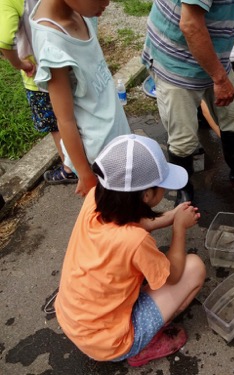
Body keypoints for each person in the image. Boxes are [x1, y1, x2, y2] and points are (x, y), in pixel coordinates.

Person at [54, 134, 206, 367]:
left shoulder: (96, 198)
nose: (164, 190)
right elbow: (174, 275)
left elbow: (133, 222)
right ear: (146, 195)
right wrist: (179, 228)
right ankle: (141, 346)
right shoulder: (135, 241)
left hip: (73, 321)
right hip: (111, 344)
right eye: (161, 186)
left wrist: (169, 217)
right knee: (194, 267)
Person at [142, 0, 234, 207]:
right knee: (183, 136)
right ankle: (184, 190)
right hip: (177, 61)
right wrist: (220, 80)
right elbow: (190, 25)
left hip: (212, 56)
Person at [29, 0, 131, 197]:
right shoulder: (52, 42)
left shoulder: (78, 9)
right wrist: (85, 174)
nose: (108, 2)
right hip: (101, 156)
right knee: (120, 213)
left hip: (115, 131)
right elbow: (64, 119)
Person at [0, 0, 77, 184]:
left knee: (56, 125)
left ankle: (70, 168)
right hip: (68, 65)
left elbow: (4, 39)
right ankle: (89, 159)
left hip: (39, 78)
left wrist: (20, 64)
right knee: (75, 117)